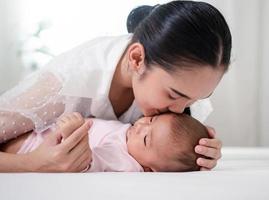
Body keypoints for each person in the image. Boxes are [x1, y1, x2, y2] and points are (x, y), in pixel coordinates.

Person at [0, 0, 230, 172]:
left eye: (196, 99)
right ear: (137, 59)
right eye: (174, 95)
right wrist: (30, 164)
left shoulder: (179, 86)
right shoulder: (65, 83)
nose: (181, 111)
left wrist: (198, 155)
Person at [1, 112, 209, 172]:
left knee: (11, 144)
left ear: (150, 169)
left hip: (39, 147)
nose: (142, 126)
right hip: (40, 131)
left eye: (146, 139)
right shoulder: (131, 136)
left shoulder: (125, 161)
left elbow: (88, 161)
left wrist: (75, 132)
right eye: (152, 120)